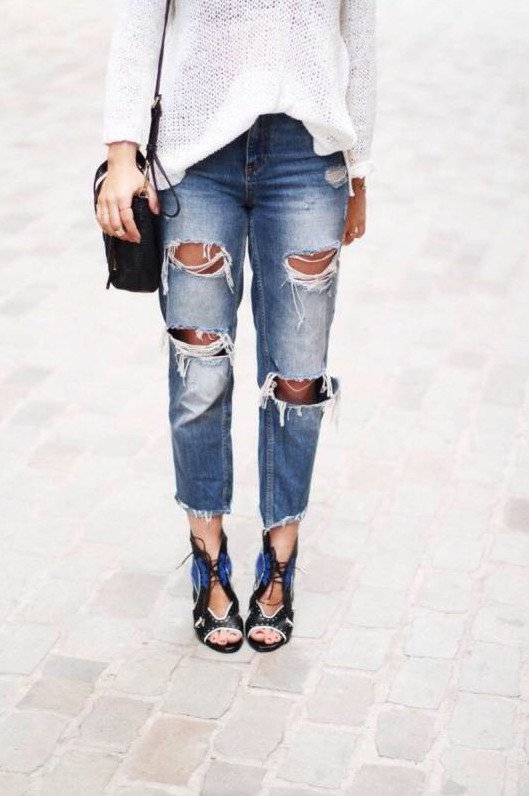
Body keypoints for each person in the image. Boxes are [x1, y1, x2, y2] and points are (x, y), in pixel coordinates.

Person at [96, 0, 376, 654]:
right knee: (198, 373)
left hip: (308, 160)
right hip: (196, 159)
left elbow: (359, 36)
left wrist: (359, 171)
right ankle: (208, 558)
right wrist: (121, 151)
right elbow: (139, 20)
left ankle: (280, 563)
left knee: (299, 380)